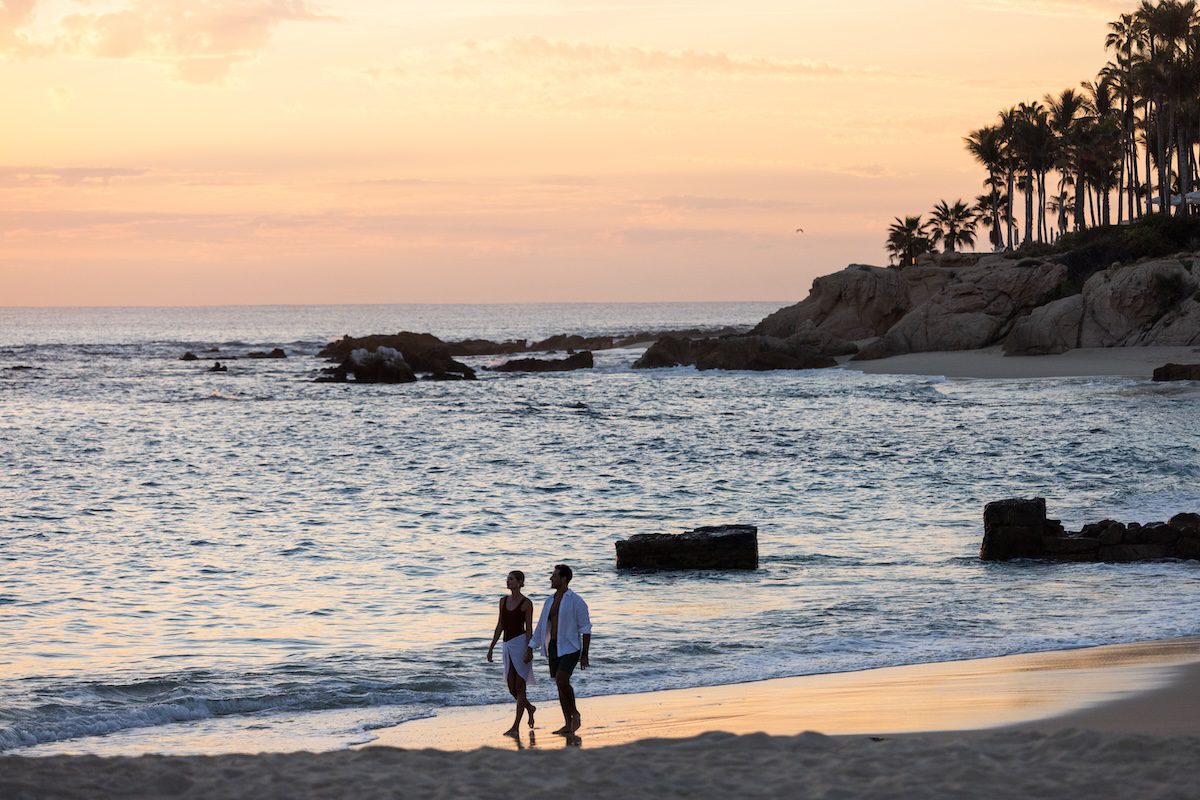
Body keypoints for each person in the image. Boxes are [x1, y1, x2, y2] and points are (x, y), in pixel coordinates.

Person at [530, 564, 591, 735]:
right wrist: (531, 646)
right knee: (559, 684)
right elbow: (541, 626)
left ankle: (575, 714)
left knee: (561, 680)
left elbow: (586, 628)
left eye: (554, 576)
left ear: (564, 579)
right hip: (554, 647)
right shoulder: (549, 601)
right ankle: (568, 723)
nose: (551, 578)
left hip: (571, 647)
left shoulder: (576, 601)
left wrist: (585, 654)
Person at [486, 570, 536, 736]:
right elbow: (500, 625)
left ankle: (515, 727)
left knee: (520, 688)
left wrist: (530, 649)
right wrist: (491, 647)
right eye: (508, 578)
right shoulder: (502, 601)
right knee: (511, 688)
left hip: (521, 645)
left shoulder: (527, 603)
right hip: (507, 645)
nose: (508, 581)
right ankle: (529, 707)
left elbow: (529, 628)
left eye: (512, 579)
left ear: (520, 582)